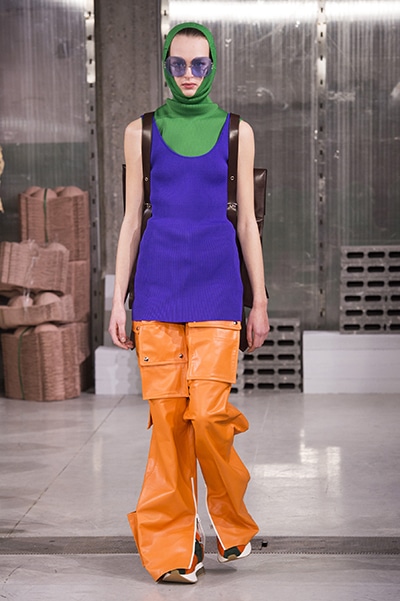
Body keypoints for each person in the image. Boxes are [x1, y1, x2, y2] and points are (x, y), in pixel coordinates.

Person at [108, 22, 270, 584]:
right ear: (165, 65)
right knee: (168, 426)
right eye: (178, 64)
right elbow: (132, 221)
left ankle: (230, 519)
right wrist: (117, 299)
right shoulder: (140, 132)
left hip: (218, 291)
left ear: (213, 66)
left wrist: (259, 300)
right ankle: (173, 549)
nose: (188, 75)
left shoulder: (236, 132)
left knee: (208, 416)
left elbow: (246, 223)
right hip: (156, 292)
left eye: (199, 65)